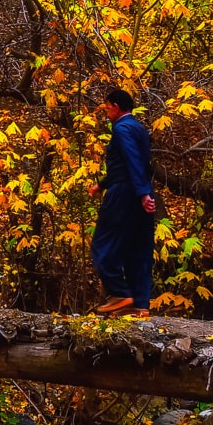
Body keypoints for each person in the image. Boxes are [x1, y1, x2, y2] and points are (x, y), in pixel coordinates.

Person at [88, 87, 158, 317]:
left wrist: (142, 193)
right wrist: (102, 184)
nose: (106, 112)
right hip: (138, 191)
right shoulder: (139, 128)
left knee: (102, 244)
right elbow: (128, 164)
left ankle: (120, 293)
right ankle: (140, 305)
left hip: (125, 194)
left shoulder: (121, 128)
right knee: (137, 248)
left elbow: (132, 160)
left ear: (116, 107)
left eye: (107, 108)